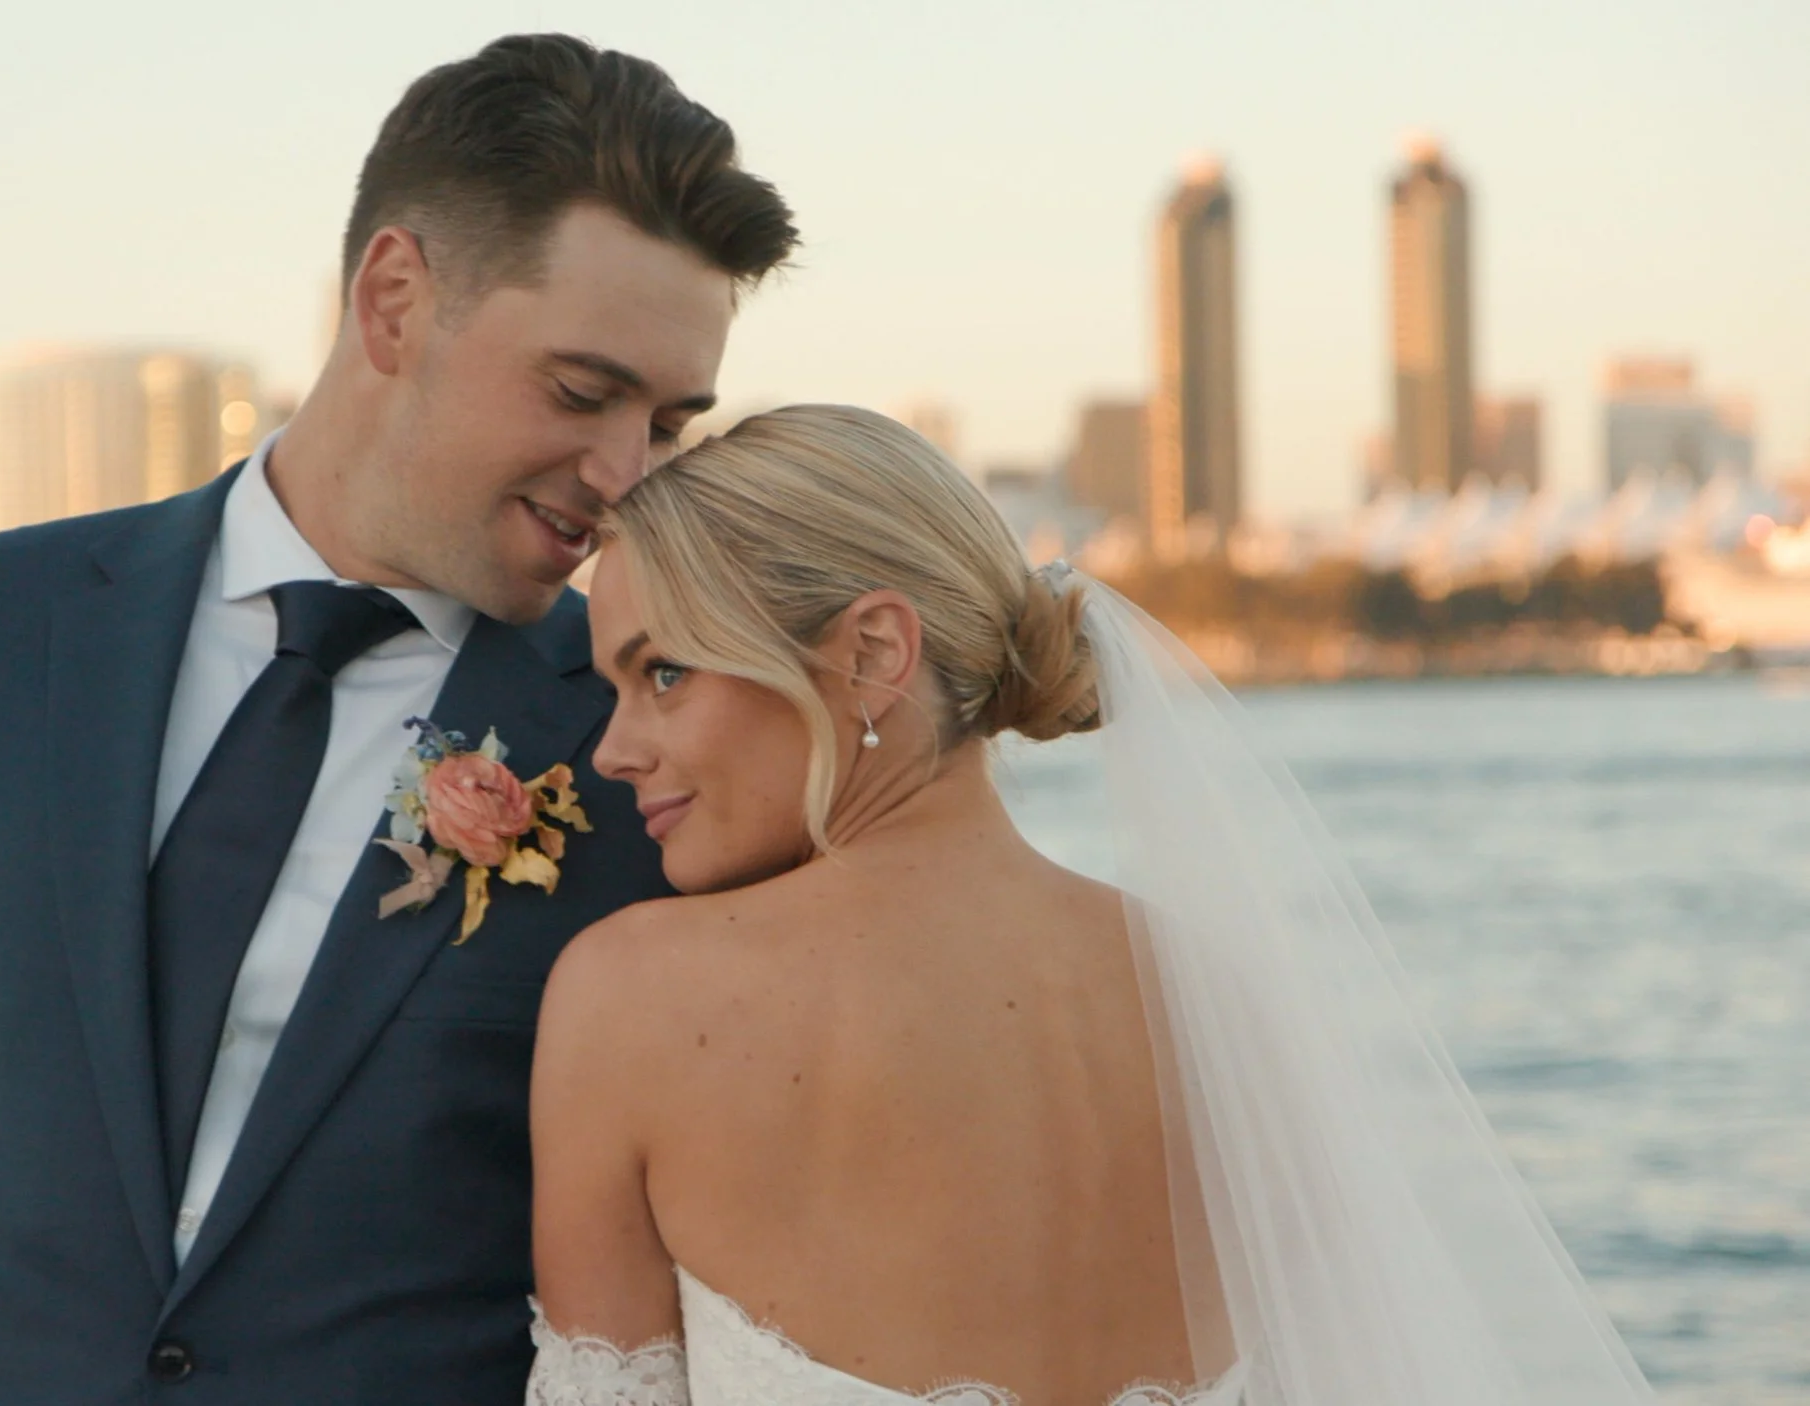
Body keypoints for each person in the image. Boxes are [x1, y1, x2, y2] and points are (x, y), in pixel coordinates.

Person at [0, 35, 796, 1404]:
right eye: (581, 393)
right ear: (393, 301)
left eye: (670, 424)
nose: (625, 474)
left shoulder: (649, 748)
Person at [527, 405, 1659, 1405]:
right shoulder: (1210, 998)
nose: (614, 749)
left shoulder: (636, 1000)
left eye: (664, 672)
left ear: (873, 653)